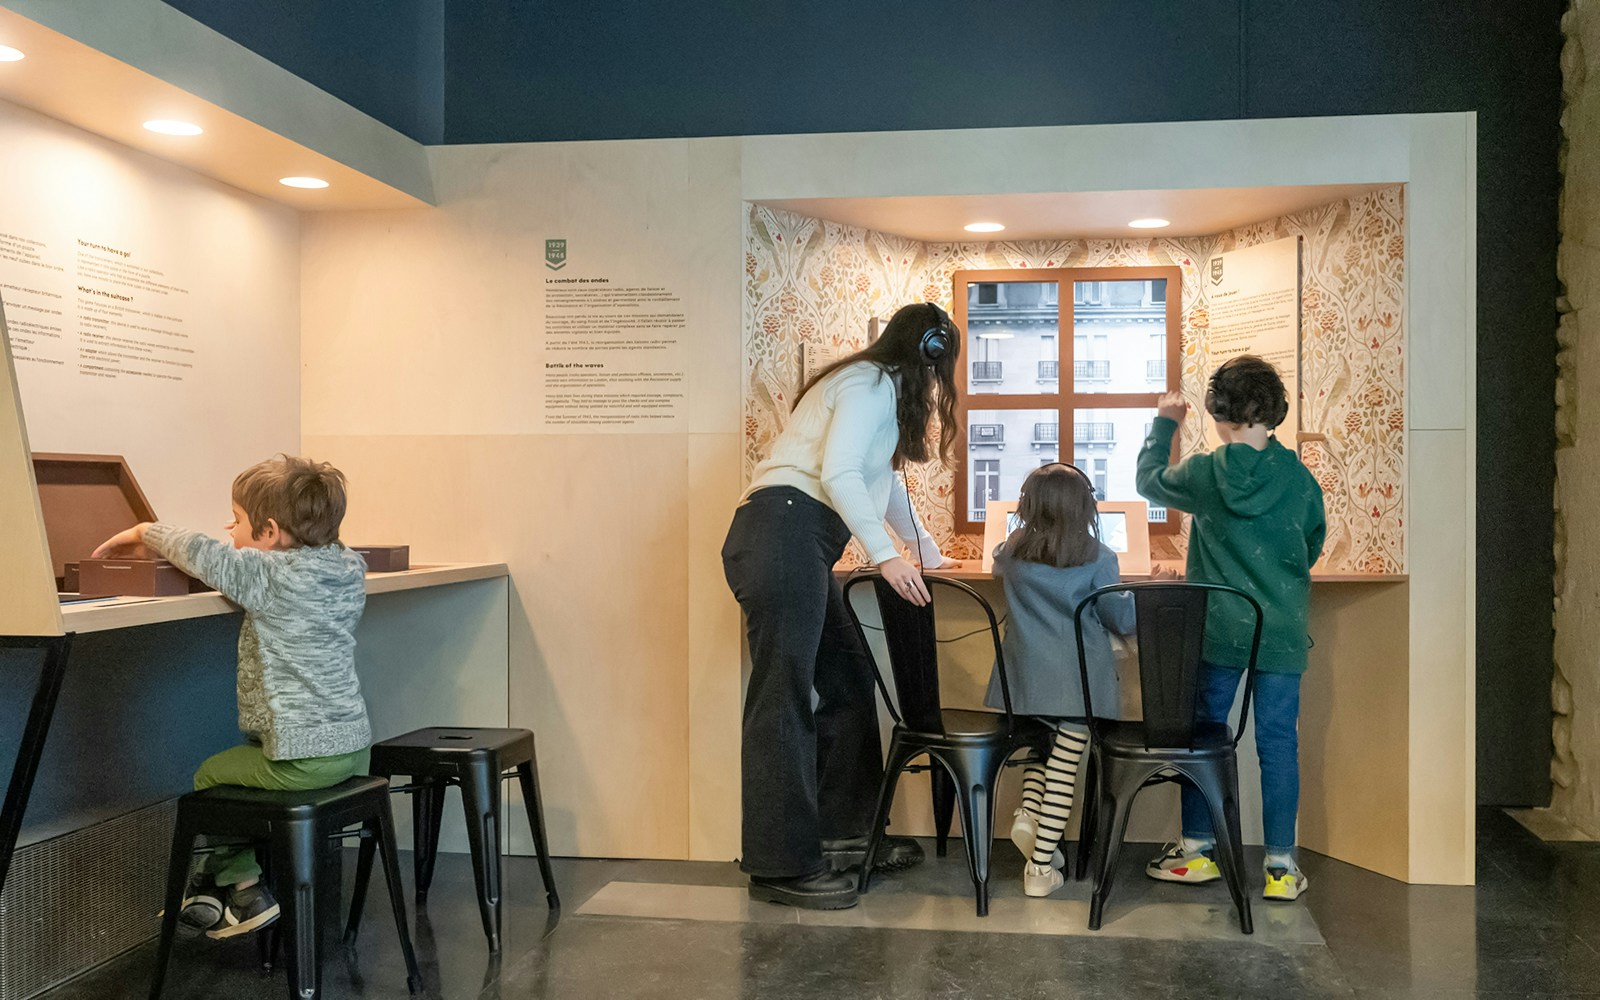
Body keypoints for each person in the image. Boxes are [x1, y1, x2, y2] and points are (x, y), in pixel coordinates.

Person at [722, 302, 960, 910]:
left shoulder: (879, 390)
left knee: (850, 680)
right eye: (941, 365)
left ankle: (848, 835)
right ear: (929, 352)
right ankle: (781, 866)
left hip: (798, 538)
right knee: (783, 697)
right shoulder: (867, 384)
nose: (939, 382)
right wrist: (885, 556)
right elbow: (839, 472)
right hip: (783, 532)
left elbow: (880, 486)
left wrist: (924, 549)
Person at [92, 455, 372, 937]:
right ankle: (213, 891)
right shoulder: (348, 567)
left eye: (238, 519)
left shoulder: (267, 575)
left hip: (303, 760)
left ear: (268, 533)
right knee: (240, 769)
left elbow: (204, 554)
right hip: (353, 749)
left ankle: (244, 890)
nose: (229, 526)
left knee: (210, 774)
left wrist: (145, 530)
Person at [1135, 355, 1326, 902]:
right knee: (1277, 744)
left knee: (1204, 737)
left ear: (1219, 412)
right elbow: (1311, 542)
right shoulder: (1298, 477)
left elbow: (1148, 481)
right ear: (1274, 411)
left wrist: (1165, 421)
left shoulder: (1205, 473)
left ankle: (1196, 851)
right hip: (1282, 628)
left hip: (1219, 627)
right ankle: (1282, 868)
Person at [984, 463, 1134, 898]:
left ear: (1028, 506)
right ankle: (1041, 867)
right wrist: (1142, 595)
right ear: (1086, 508)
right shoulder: (1100, 559)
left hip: (1023, 684)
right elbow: (1118, 617)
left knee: (1040, 753)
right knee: (1065, 769)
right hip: (1079, 686)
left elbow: (999, 564)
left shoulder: (1011, 552)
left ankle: (1028, 814)